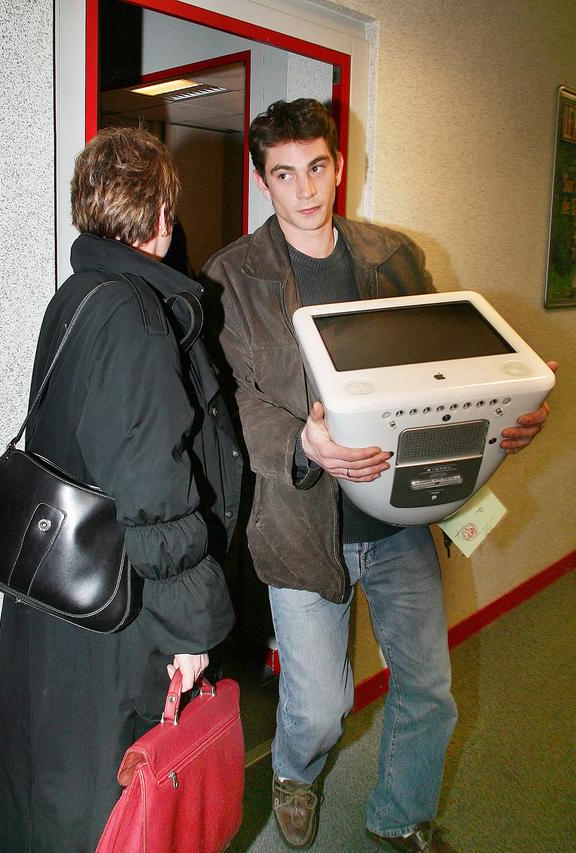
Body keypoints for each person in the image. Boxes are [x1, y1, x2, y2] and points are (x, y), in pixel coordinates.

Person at [201, 98, 555, 853]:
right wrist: (304, 439)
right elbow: (229, 402)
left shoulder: (393, 257)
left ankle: (400, 811)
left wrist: (503, 420)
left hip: (397, 517)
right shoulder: (233, 277)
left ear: (338, 164)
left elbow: (444, 377)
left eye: (318, 167)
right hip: (300, 524)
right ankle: (297, 770)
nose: (306, 190)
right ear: (264, 179)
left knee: (428, 686)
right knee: (321, 707)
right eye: (286, 174)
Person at [0, 126, 241, 852]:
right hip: (121, 608)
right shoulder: (134, 314)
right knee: (113, 799)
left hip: (65, 586)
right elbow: (154, 496)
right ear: (162, 217)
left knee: (52, 781)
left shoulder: (78, 295)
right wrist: (192, 632)